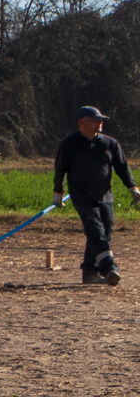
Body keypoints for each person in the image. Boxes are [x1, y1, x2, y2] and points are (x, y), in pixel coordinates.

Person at [53, 106, 140, 286]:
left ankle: (90, 274)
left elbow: (122, 167)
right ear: (82, 122)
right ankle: (109, 268)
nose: (100, 123)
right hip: (82, 196)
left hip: (105, 196)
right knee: (96, 231)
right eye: (95, 120)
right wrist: (58, 193)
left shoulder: (110, 144)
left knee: (104, 232)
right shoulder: (69, 144)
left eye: (101, 120)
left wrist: (132, 187)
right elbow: (60, 169)